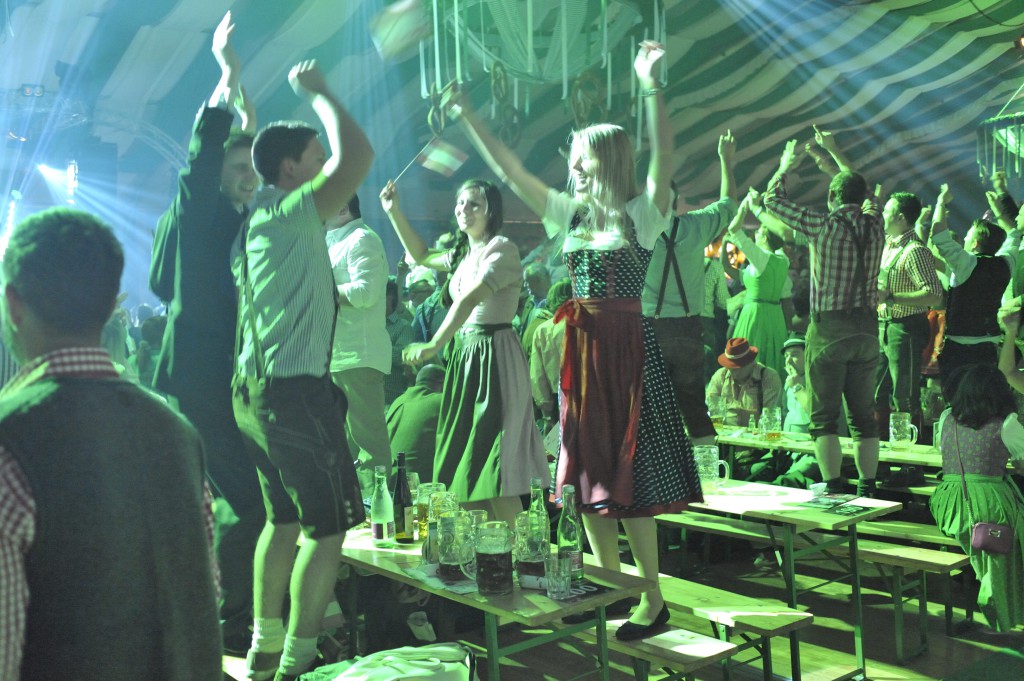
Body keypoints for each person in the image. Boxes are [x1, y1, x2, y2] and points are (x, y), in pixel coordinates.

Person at [452, 40, 700, 640]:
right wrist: (469, 118)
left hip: (626, 353)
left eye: (583, 156)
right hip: (583, 356)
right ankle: (611, 588)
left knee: (630, 476)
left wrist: (649, 84)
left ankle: (651, 596)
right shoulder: (569, 214)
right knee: (587, 473)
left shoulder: (642, 212)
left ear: (608, 159)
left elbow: (663, 155)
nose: (573, 163)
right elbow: (511, 170)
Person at [0, 208, 221, 680]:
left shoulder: (11, 441)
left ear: (14, 305)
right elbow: (205, 597)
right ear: (109, 305)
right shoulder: (177, 433)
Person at [232, 60, 373, 681]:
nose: (324, 166)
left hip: (255, 393)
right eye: (314, 157)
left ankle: (265, 650)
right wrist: (322, 92)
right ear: (291, 170)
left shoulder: (255, 221)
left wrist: (237, 85)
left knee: (282, 521)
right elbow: (360, 155)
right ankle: (298, 662)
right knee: (328, 529)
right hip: (293, 394)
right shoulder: (290, 212)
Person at [147, 13, 264, 652]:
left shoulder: (234, 221)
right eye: (239, 165)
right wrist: (227, 73)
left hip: (211, 378)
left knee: (222, 502)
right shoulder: (199, 211)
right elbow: (205, 149)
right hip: (200, 381)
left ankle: (220, 616)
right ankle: (227, 624)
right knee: (246, 502)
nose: (250, 174)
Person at [380, 178, 547, 526]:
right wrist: (394, 211)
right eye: (459, 203)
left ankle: (526, 555)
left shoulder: (501, 248)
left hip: (493, 356)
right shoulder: (463, 254)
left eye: (473, 204)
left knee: (491, 467)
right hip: (465, 357)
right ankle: (486, 558)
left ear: (491, 210)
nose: (463, 209)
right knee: (465, 467)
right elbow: (422, 255)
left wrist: (433, 344)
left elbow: (471, 299)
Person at [762, 130, 884, 497]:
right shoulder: (875, 221)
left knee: (824, 418)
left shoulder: (823, 225)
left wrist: (787, 164)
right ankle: (867, 488)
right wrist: (834, 153)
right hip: (866, 330)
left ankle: (832, 486)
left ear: (832, 197)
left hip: (829, 331)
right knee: (864, 419)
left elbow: (772, 199)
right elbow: (859, 189)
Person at [641, 134, 737, 446]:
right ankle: (706, 479)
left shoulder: (635, 232)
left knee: (649, 412)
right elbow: (728, 204)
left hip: (647, 331)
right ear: (677, 199)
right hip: (689, 329)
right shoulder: (695, 226)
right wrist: (726, 159)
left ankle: (657, 480)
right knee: (694, 409)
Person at [929, 364, 1024, 631]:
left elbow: (944, 453)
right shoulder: (1006, 425)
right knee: (1015, 529)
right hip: (986, 501)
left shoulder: (947, 418)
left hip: (947, 502)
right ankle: (1004, 602)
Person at [326, 194, 393, 487]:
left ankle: (378, 514)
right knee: (342, 441)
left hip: (358, 356)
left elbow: (366, 292)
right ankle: (357, 512)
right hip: (339, 357)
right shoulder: (335, 242)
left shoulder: (360, 239)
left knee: (368, 442)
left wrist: (321, 290)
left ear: (342, 206)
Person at [929, 183, 1022, 379]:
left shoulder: (966, 263)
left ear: (975, 243)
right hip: (989, 347)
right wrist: (1018, 227)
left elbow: (938, 235)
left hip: (960, 351)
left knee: (958, 401)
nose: (964, 237)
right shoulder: (1006, 263)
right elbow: (1013, 237)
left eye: (968, 235)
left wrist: (940, 202)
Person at [875, 191, 943, 426]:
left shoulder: (915, 250)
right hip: (884, 326)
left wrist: (891, 297)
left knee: (904, 397)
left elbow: (934, 294)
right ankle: (880, 453)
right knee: (875, 393)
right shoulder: (888, 246)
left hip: (906, 328)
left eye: (887, 210)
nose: (882, 214)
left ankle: (911, 457)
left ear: (901, 218)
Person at [724, 197, 791, 380]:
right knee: (773, 361)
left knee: (748, 361)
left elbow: (733, 228)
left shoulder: (761, 258)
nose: (756, 235)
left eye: (759, 232)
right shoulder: (783, 259)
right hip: (775, 317)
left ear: (764, 237)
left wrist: (746, 205)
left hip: (754, 316)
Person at [386, 363, 445, 483]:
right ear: (444, 384)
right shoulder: (441, 401)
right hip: (418, 487)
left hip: (389, 483)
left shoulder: (398, 401)